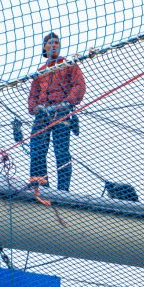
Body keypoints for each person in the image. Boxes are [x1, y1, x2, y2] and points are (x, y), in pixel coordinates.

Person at [27, 32, 85, 191]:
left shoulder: (68, 65)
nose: (54, 45)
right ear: (44, 47)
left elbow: (79, 85)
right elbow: (33, 95)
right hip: (42, 114)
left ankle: (63, 189)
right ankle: (41, 186)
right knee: (37, 149)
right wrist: (34, 108)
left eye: (56, 43)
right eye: (50, 43)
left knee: (61, 151)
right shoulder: (40, 72)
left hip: (61, 112)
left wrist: (67, 102)